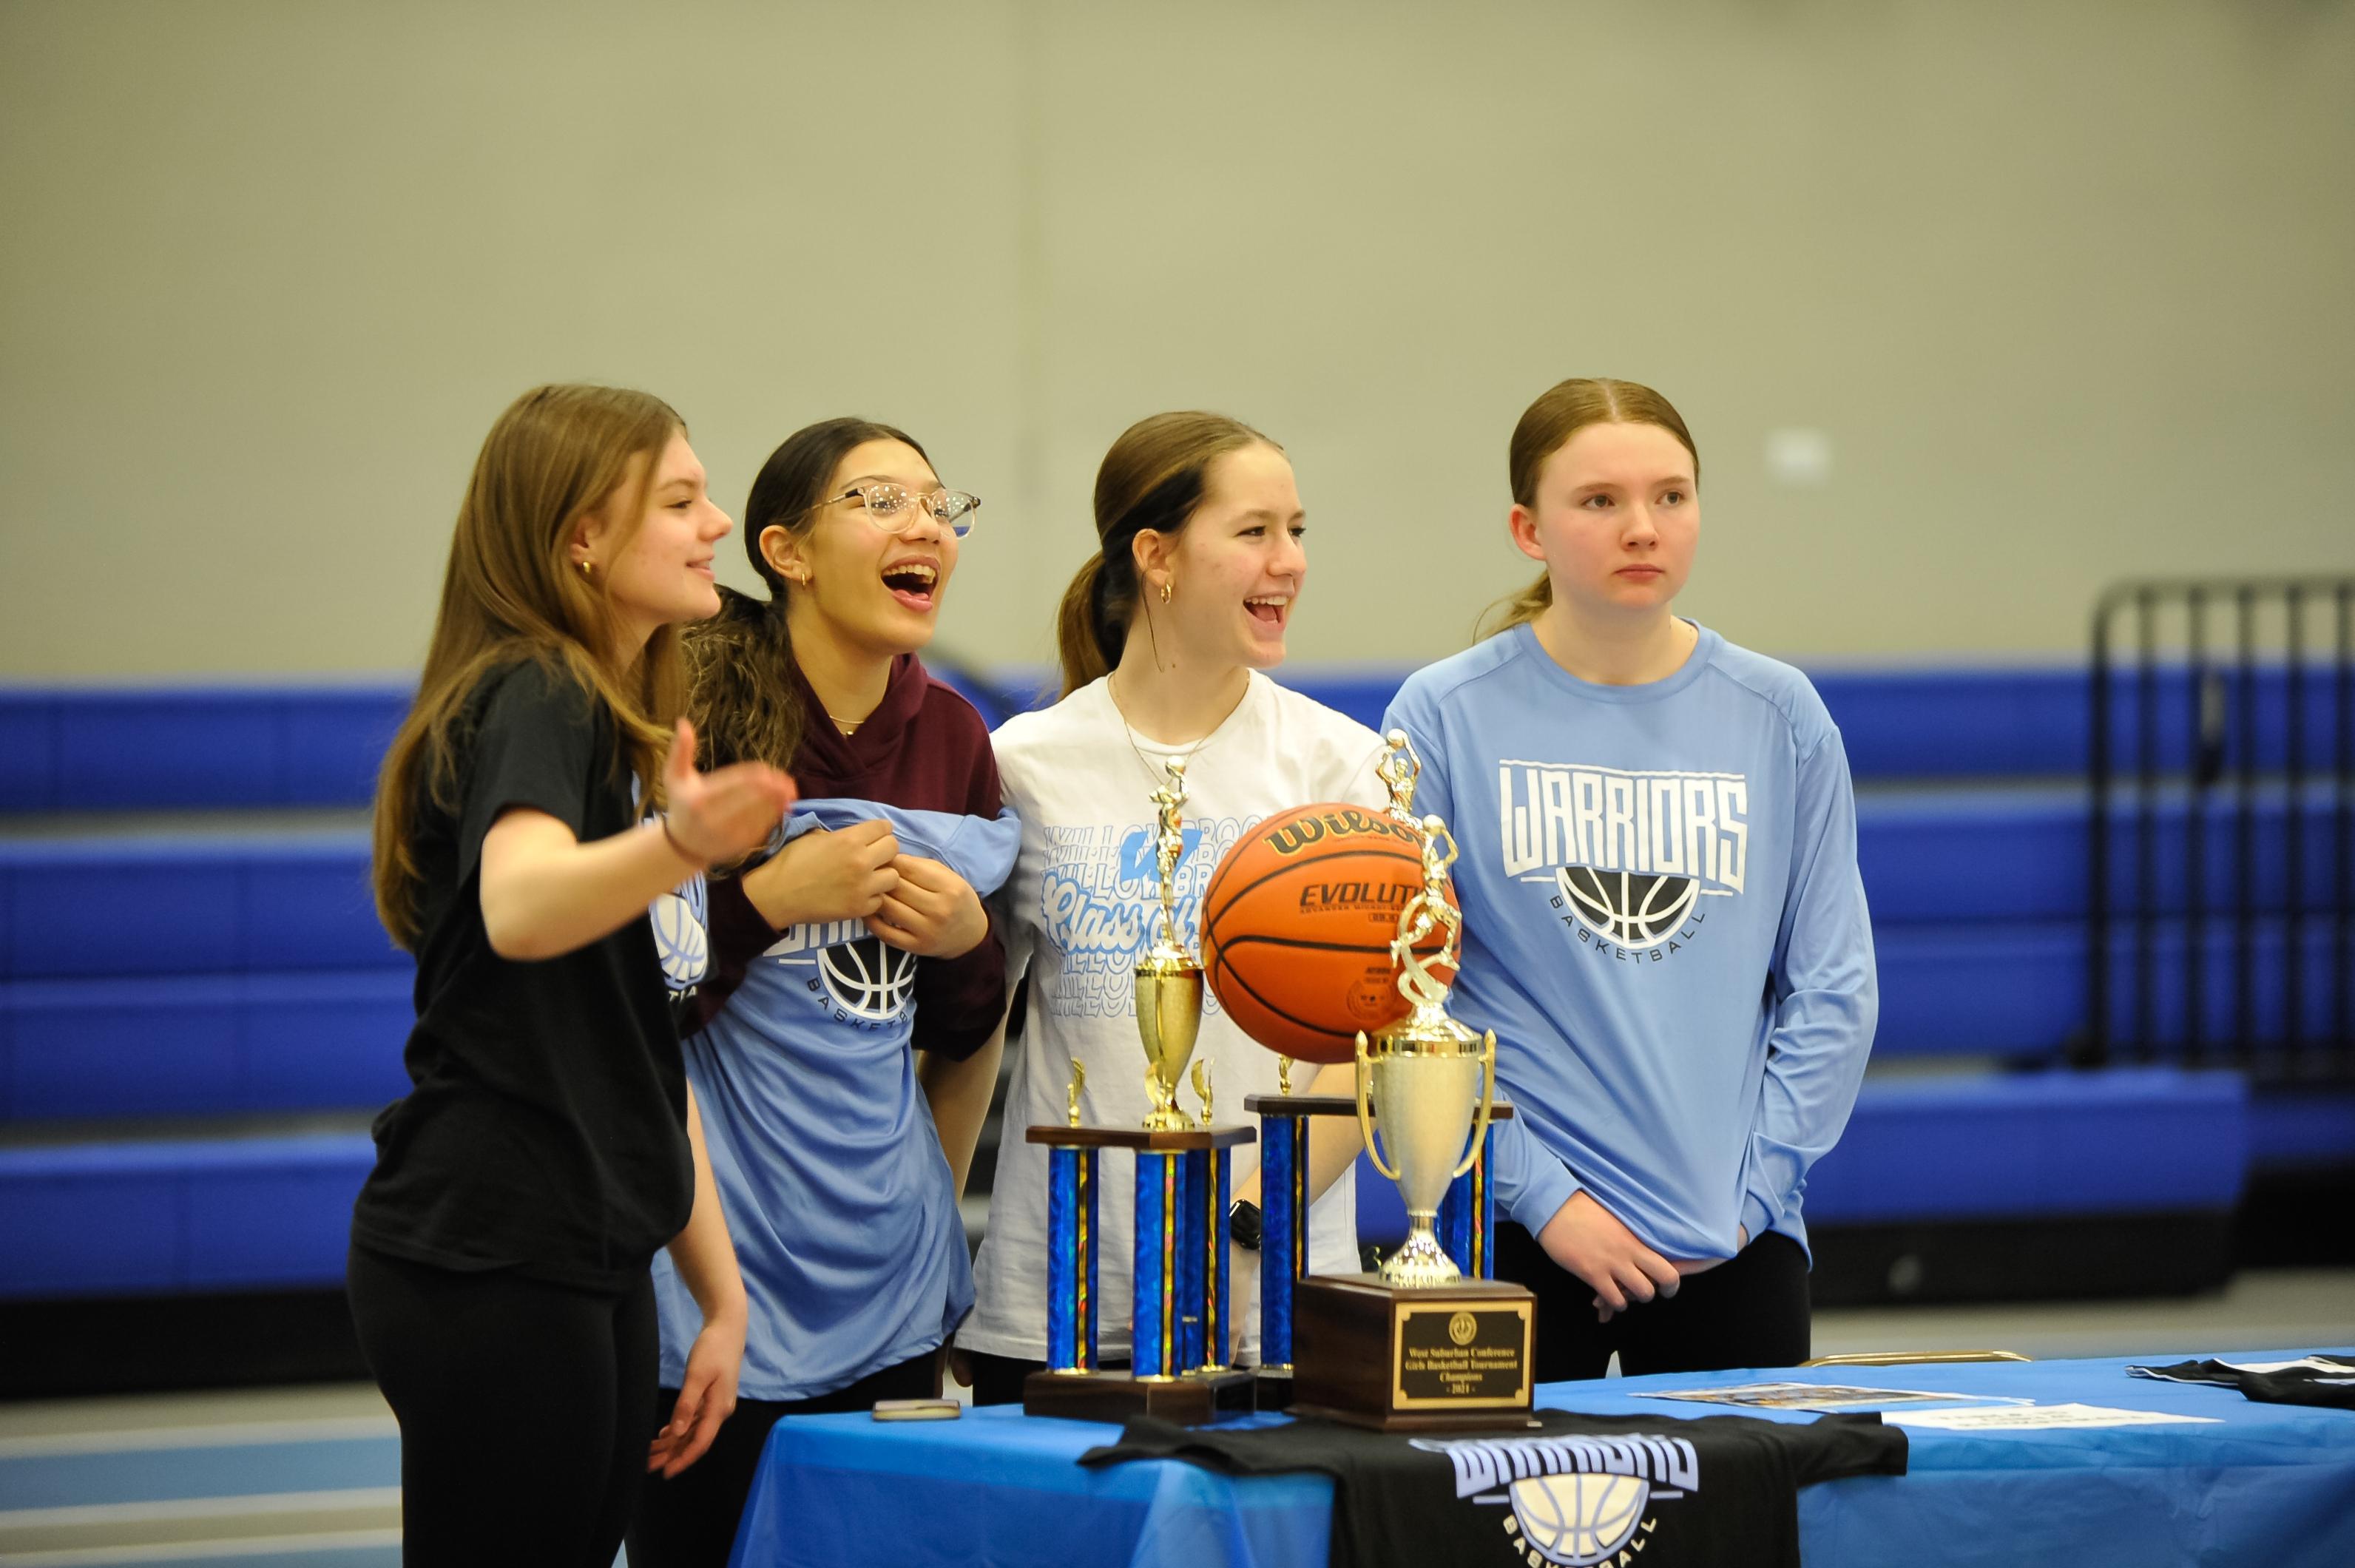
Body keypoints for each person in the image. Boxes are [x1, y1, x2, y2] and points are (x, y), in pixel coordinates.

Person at [350, 384, 795, 1564]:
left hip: (591, 1246)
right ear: (583, 536)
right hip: (490, 1249)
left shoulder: (611, 717)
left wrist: (722, 1297)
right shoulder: (537, 689)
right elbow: (520, 906)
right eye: (681, 501)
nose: (715, 525)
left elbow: (635, 1048)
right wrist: (680, 845)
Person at [1382, 376, 1876, 1379]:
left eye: (1671, 496)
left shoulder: (1781, 715)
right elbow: (1411, 1002)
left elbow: (1834, 989)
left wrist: (1748, 1202)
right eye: (1600, 500)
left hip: (1733, 1242)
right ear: (1528, 529)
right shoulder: (1439, 718)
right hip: (1518, 1231)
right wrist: (1544, 1201)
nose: (1642, 527)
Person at [628, 419, 1016, 1567]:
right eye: (880, 501)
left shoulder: (953, 737)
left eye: (940, 506)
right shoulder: (694, 712)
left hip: (889, 1281)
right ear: (786, 552)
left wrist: (967, 937)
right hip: (713, 1281)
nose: (924, 526)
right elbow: (631, 1001)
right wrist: (768, 899)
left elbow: (964, 1025)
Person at [959, 411, 1373, 1404]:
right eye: (1254, 531)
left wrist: (1246, 1223)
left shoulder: (1339, 765)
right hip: (1058, 1301)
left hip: (1275, 1305)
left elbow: (1378, 1035)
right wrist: (931, 1248)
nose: (1289, 561)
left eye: (1297, 531)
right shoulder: (1023, 765)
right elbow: (972, 1034)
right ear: (1157, 556)